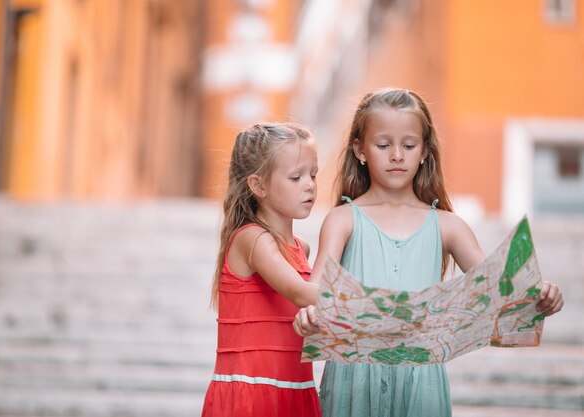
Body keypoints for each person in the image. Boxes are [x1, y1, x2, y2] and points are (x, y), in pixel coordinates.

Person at [292, 88, 564, 417]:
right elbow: (317, 289)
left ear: (424, 152)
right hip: (354, 375)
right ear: (359, 150)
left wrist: (540, 298)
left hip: (422, 380)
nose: (396, 155)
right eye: (383, 145)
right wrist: (311, 313)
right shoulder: (342, 220)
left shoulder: (449, 226)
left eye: (408, 145)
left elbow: (498, 292)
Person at [201, 122, 323, 417]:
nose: (309, 184)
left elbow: (305, 312)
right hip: (252, 394)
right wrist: (368, 300)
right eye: (296, 177)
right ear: (259, 186)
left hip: (295, 389)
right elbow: (298, 292)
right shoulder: (251, 239)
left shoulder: (301, 249)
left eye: (313, 175)